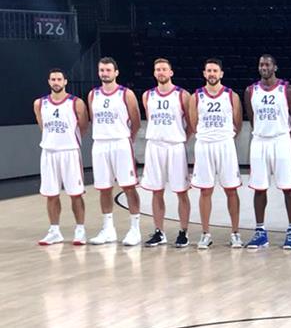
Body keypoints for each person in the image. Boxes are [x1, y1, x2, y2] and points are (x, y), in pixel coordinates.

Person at [243, 54, 291, 249]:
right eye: (261, 64)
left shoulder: (288, 90)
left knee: (288, 187)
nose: (264, 67)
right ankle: (260, 232)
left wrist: (283, 134)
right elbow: (252, 118)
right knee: (259, 188)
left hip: (281, 140)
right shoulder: (251, 91)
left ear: (275, 67)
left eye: (267, 64)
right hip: (260, 141)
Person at [189, 58, 244, 249]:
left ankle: (235, 233)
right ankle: (205, 234)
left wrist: (224, 136)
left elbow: (237, 123)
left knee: (231, 189)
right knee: (205, 190)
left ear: (221, 73)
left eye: (215, 71)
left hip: (225, 144)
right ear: (204, 74)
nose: (212, 74)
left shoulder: (231, 95)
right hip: (204, 145)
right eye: (209, 71)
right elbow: (193, 123)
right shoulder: (196, 96)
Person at [87, 57, 142, 246]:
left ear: (116, 72)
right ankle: (108, 229)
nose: (105, 73)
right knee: (104, 188)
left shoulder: (126, 94)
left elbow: (136, 121)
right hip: (100, 144)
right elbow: (93, 119)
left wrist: (128, 138)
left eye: (108, 70)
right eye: (102, 70)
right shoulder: (93, 94)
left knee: (128, 187)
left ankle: (135, 229)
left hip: (120, 143)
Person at [141, 58, 192, 247]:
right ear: (154, 73)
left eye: (164, 69)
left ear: (171, 72)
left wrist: (181, 138)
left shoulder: (182, 95)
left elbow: (191, 123)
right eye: (157, 69)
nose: (161, 72)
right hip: (154, 145)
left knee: (181, 191)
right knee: (156, 191)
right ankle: (159, 232)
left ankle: (183, 232)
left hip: (175, 146)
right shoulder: (147, 95)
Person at [35, 68, 87, 245]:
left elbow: (83, 126)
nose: (56, 82)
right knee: (51, 194)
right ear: (49, 82)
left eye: (59, 79)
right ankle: (54, 231)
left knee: (75, 193)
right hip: (49, 152)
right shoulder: (40, 103)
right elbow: (42, 126)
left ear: (65, 81)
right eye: (53, 79)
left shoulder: (76, 102)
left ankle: (80, 230)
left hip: (69, 152)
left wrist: (69, 140)